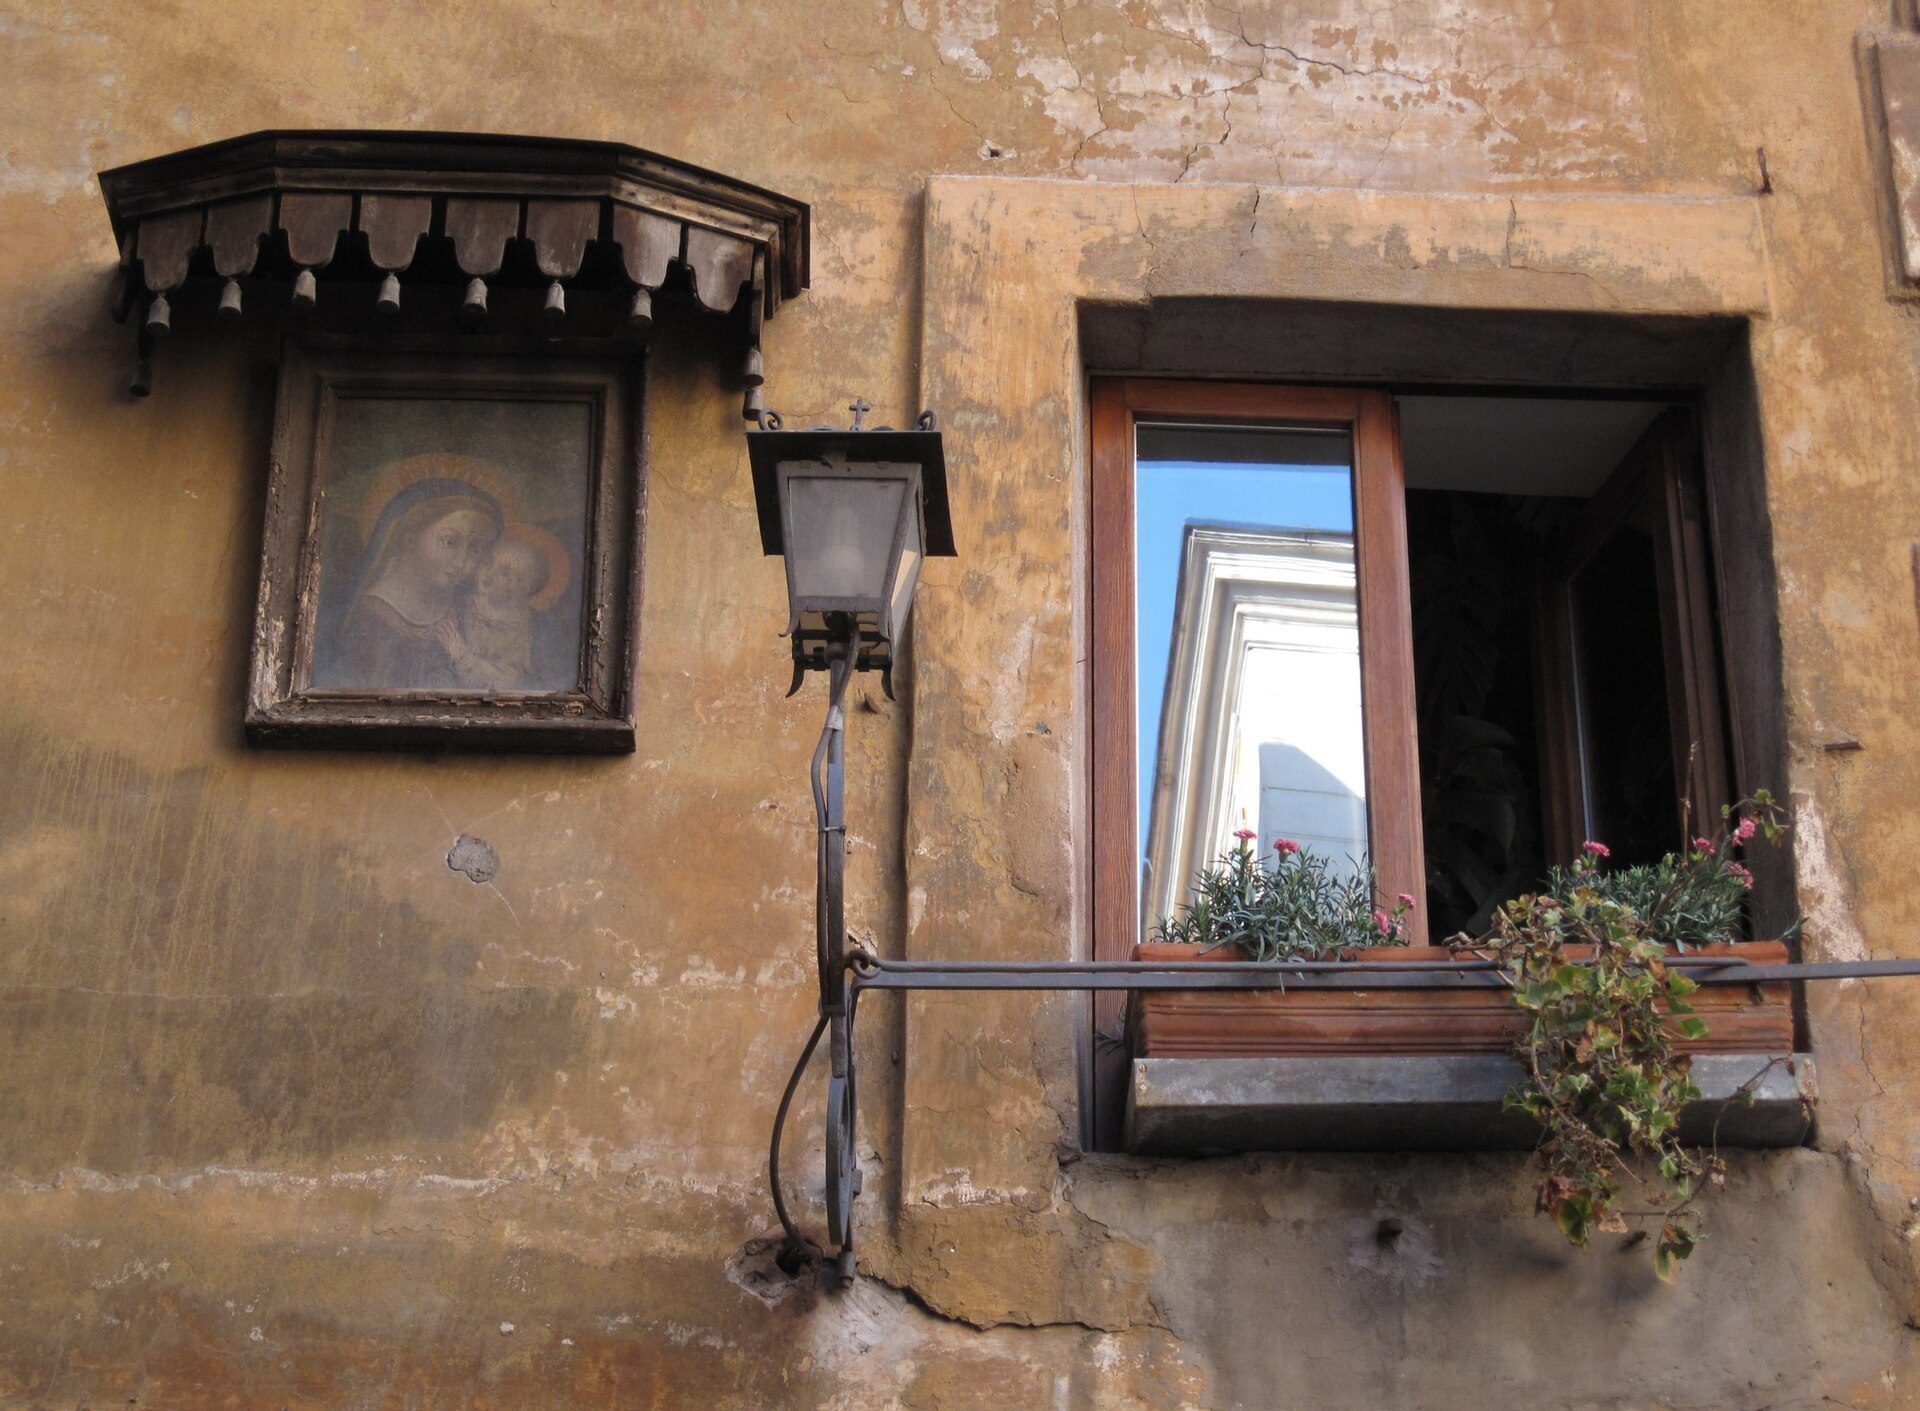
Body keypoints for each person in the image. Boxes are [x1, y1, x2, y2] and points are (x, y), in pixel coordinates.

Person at [332, 478, 504, 689]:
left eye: (475, 550)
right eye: (449, 542)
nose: (461, 562)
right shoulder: (373, 616)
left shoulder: (468, 606)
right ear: (409, 538)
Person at [439, 533, 549, 691]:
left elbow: (517, 684)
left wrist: (461, 656)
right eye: (487, 564)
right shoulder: (457, 607)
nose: (488, 575)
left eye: (504, 573)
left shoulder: (537, 628)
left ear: (525, 588)